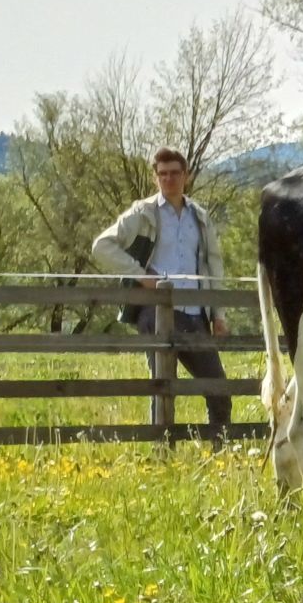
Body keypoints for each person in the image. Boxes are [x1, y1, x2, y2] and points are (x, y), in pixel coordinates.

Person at [92, 147, 233, 443]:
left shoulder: (200, 217)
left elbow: (214, 265)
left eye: (175, 173)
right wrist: (141, 276)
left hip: (195, 314)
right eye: (162, 174)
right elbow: (102, 246)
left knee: (218, 388)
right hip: (155, 311)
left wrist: (218, 314)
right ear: (156, 177)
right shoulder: (143, 213)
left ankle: (220, 452)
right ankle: (163, 453)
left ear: (186, 176)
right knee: (164, 387)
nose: (168, 179)